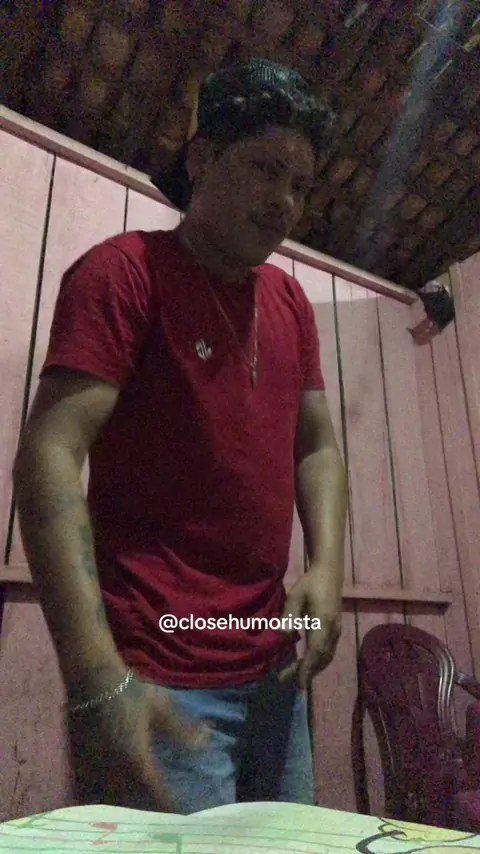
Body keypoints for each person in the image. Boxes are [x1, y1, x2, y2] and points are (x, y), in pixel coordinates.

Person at [13, 58, 347, 814]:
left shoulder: (292, 302)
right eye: (267, 169)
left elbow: (320, 446)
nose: (286, 202)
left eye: (300, 184)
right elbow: (50, 453)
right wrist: (95, 677)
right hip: (157, 675)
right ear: (202, 159)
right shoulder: (124, 274)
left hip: (277, 667)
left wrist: (328, 567)